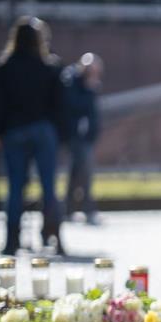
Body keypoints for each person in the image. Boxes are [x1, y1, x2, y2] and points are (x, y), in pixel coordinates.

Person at [0, 16, 65, 255]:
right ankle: (55, 236)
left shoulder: (4, 68)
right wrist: (57, 132)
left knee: (15, 188)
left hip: (14, 130)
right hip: (43, 129)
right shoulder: (50, 67)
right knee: (49, 186)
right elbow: (59, 104)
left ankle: (12, 240)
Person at [61, 52, 104, 225]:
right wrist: (88, 88)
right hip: (75, 134)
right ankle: (88, 209)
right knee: (84, 171)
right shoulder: (72, 80)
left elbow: (93, 113)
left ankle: (68, 209)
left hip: (86, 135)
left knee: (76, 171)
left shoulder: (92, 85)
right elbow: (74, 105)